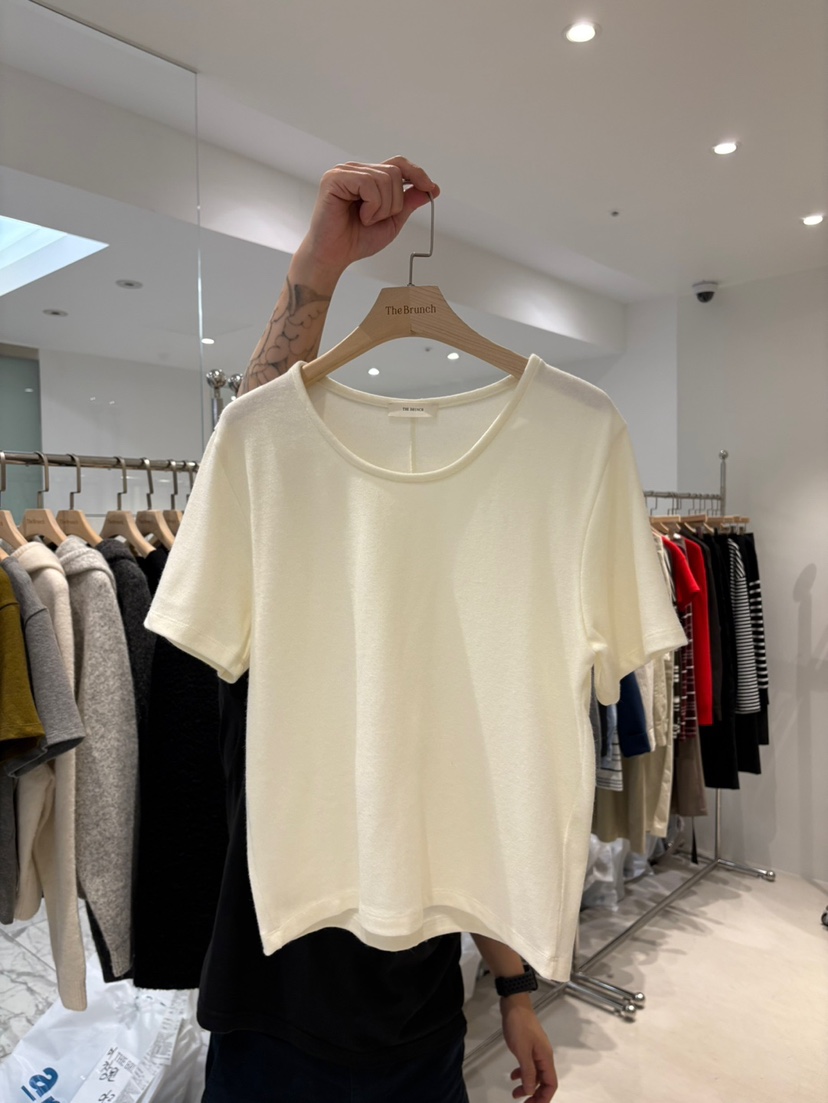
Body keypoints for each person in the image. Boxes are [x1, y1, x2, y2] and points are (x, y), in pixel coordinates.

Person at [200, 156, 559, 1103]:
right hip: (271, 1024)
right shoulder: (268, 578)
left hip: (422, 1022)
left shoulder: (455, 634)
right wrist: (318, 269)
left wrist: (514, 988)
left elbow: (470, 810)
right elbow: (253, 441)